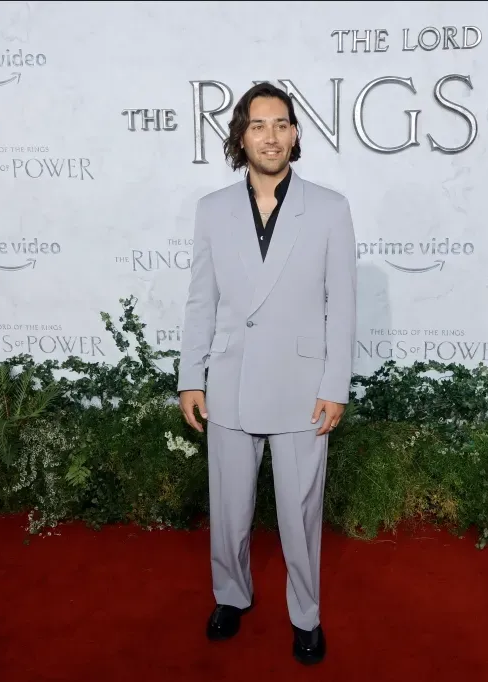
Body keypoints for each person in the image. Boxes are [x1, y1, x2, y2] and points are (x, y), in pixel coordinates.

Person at [176, 82, 357, 665]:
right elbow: (201, 301)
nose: (271, 136)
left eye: (281, 124)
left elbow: (342, 306)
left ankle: (306, 615)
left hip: (302, 387)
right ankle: (231, 595)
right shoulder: (212, 210)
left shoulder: (329, 208)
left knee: (300, 515)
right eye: (258, 125)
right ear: (242, 136)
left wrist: (335, 385)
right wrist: (191, 375)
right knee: (228, 506)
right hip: (230, 379)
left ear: (295, 134)